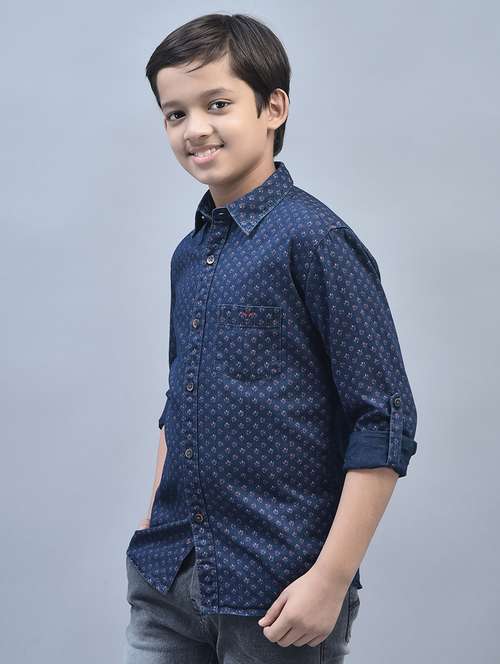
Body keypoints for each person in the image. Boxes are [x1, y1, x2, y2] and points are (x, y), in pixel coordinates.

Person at [124, 12, 418, 664]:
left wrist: (330, 580)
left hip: (279, 590)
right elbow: (179, 400)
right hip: (168, 581)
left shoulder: (315, 241)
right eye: (175, 114)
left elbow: (383, 420)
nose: (194, 128)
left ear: (273, 108)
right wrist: (152, 529)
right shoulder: (187, 256)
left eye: (217, 104)